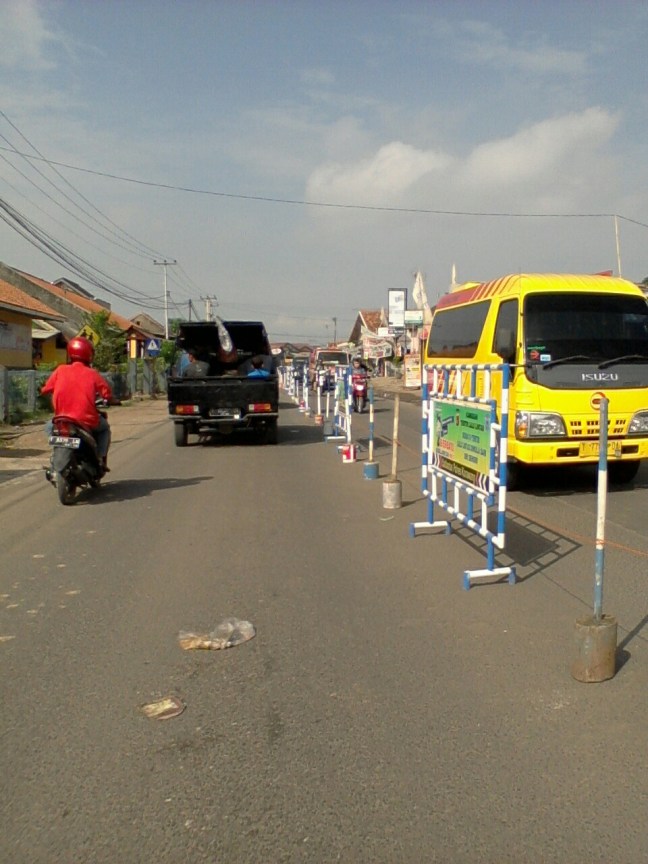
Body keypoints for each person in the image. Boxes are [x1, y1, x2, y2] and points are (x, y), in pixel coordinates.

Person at [41, 336, 113, 470]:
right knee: (104, 429)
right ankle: (101, 459)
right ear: (89, 355)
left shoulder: (60, 370)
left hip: (61, 420)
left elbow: (45, 389)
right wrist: (110, 399)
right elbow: (107, 393)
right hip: (86, 420)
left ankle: (56, 454)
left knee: (49, 427)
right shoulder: (92, 373)